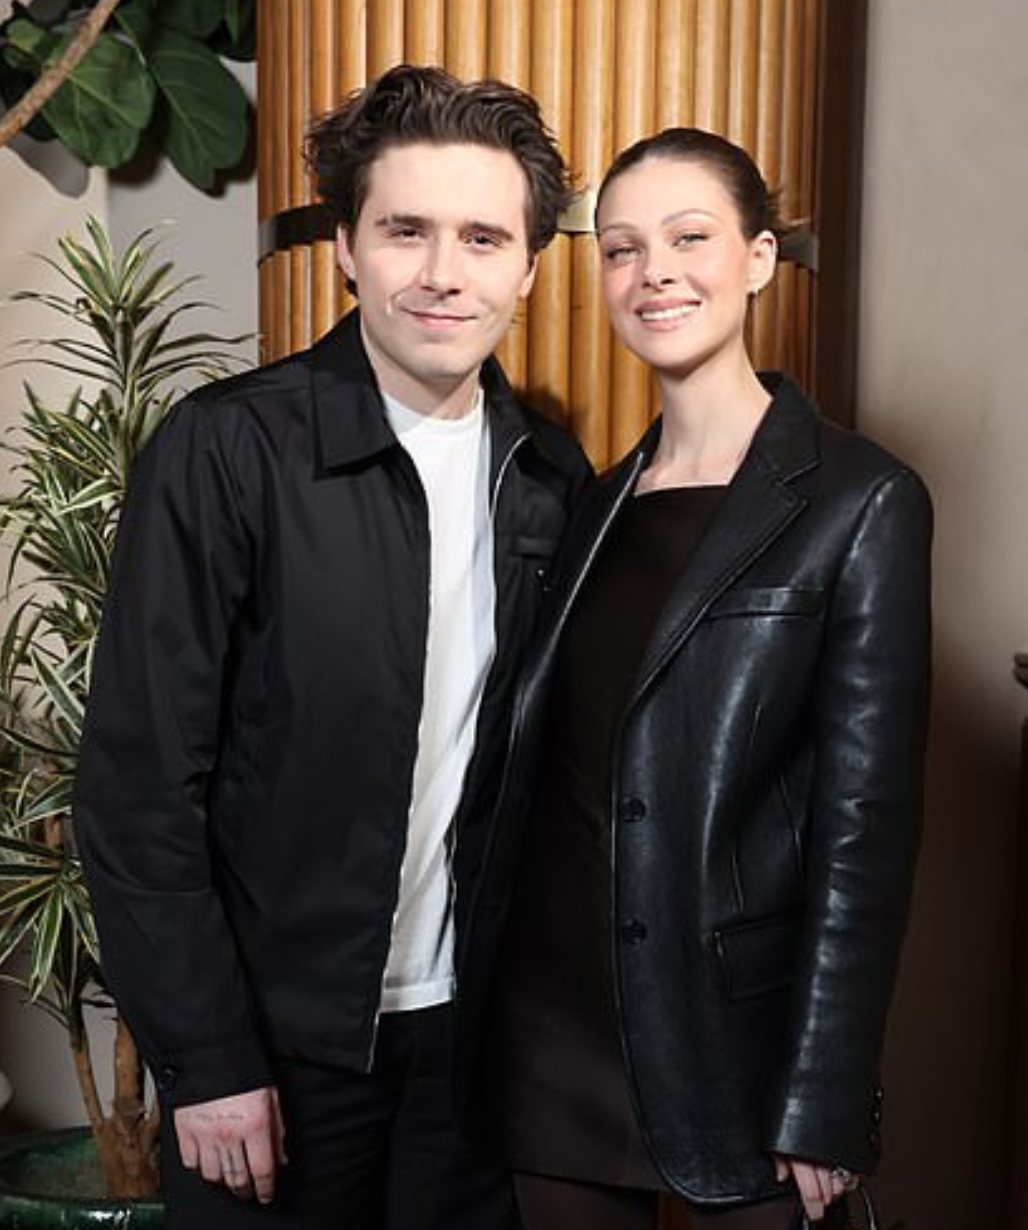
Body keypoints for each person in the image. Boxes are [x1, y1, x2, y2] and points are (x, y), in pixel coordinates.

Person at [74, 64, 590, 1230]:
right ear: (347, 249)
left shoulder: (549, 479)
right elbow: (138, 788)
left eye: (482, 238)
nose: (442, 272)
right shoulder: (225, 451)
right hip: (272, 1053)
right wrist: (207, 1057)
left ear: (526, 266)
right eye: (405, 231)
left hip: (471, 1057)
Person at [458, 128, 932, 1230]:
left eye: (688, 238)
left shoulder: (860, 501)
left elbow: (864, 831)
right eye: (621, 249)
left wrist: (825, 1094)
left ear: (759, 258)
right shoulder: (588, 504)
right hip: (550, 1033)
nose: (652, 273)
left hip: (735, 1048)